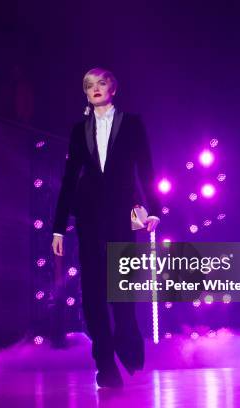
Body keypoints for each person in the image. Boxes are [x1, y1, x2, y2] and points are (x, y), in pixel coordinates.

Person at [51, 67, 160, 388]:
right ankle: (104, 362)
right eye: (89, 86)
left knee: (122, 282)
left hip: (121, 213)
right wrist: (58, 227)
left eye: (100, 84)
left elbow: (146, 167)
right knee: (94, 289)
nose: (95, 89)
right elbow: (70, 179)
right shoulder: (78, 129)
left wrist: (154, 209)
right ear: (85, 94)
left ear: (113, 88)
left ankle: (128, 337)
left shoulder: (133, 123)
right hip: (88, 215)